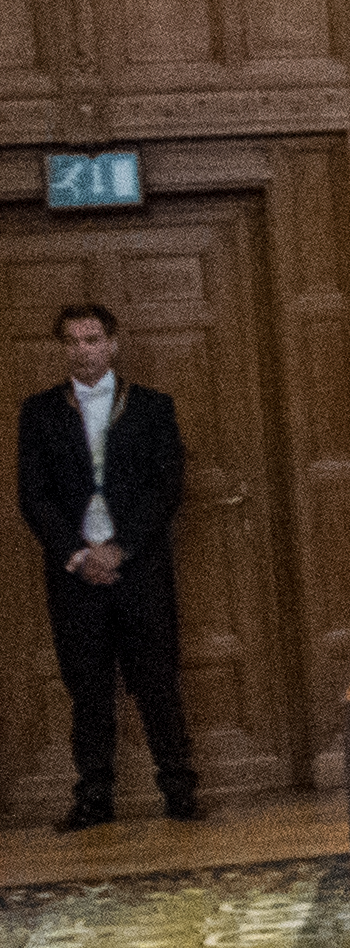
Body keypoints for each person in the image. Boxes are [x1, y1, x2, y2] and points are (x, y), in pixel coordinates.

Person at [19, 298, 190, 829]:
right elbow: (33, 494)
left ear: (112, 344)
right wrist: (77, 554)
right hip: (74, 575)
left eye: (92, 340)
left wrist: (122, 548)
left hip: (138, 569)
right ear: (61, 347)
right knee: (88, 688)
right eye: (71, 341)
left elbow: (166, 488)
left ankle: (179, 791)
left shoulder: (151, 407)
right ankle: (94, 797)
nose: (82, 351)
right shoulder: (40, 410)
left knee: (156, 681)